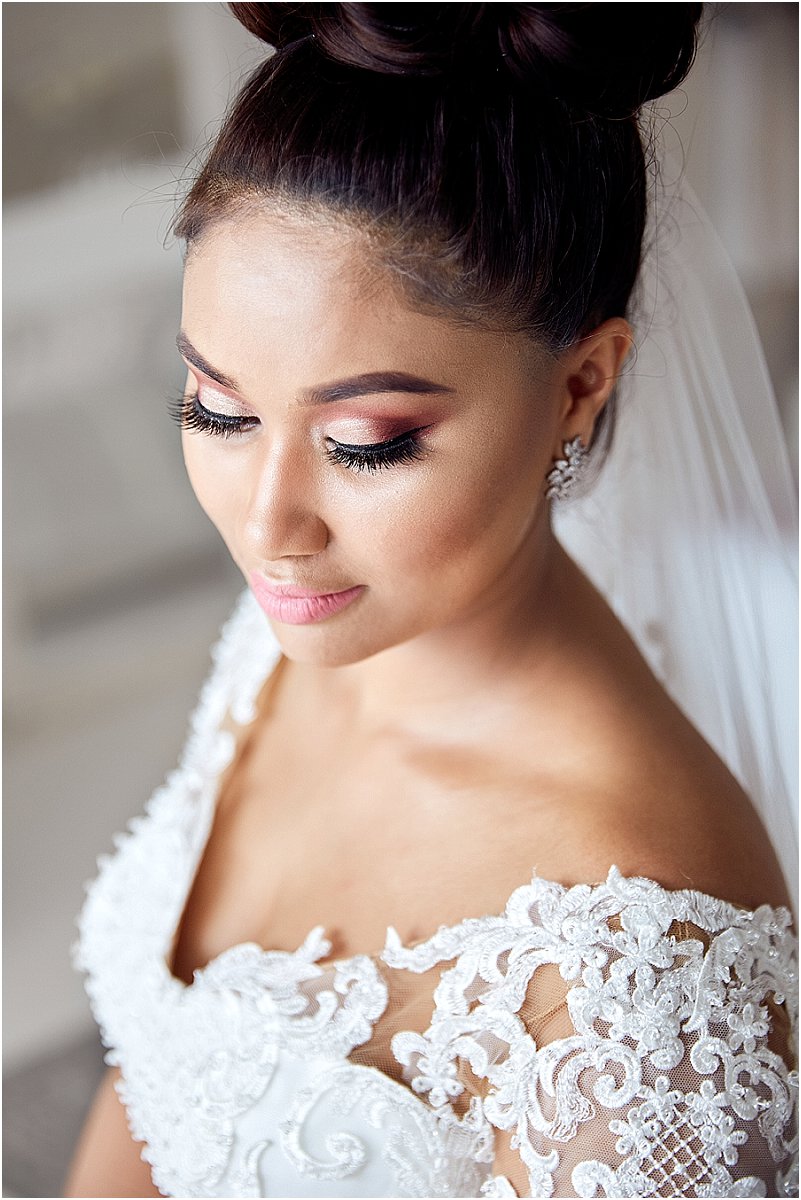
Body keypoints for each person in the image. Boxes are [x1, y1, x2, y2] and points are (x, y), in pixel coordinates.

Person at [66, 5, 798, 1197]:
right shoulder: (298, 633)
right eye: (219, 410)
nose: (267, 528)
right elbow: (158, 1068)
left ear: (580, 385)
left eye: (366, 441)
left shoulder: (642, 990)